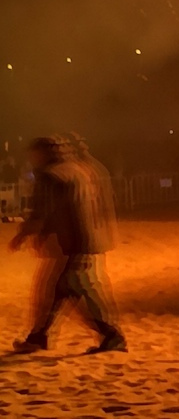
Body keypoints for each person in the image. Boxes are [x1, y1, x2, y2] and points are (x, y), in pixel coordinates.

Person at [9, 135, 126, 355]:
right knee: (57, 289)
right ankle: (38, 336)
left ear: (43, 153)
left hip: (75, 243)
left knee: (75, 288)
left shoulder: (50, 176)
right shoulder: (80, 169)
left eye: (34, 153)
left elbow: (41, 212)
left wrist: (22, 236)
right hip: (90, 240)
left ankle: (112, 336)